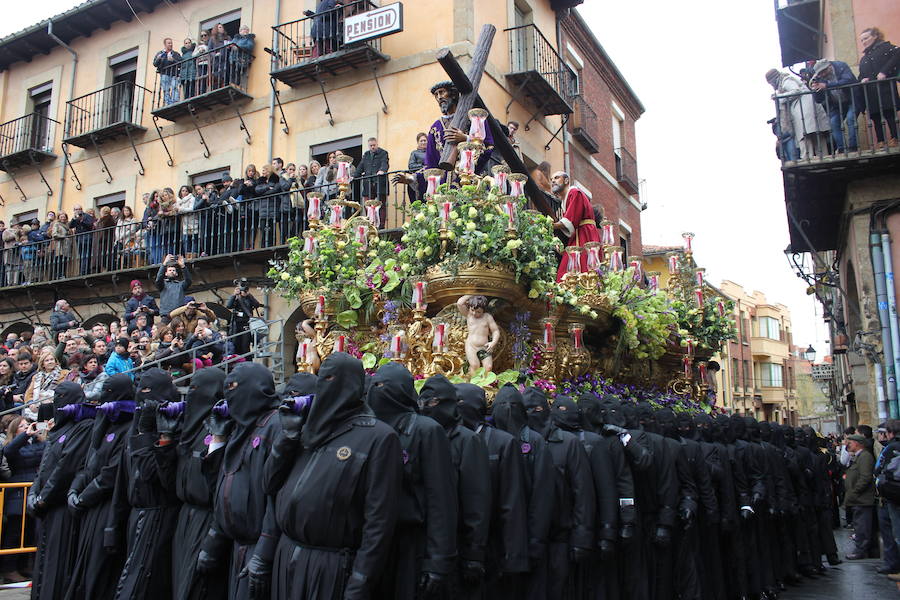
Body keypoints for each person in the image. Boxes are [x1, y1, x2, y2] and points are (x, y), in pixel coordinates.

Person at [245, 354, 402, 599]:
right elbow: (269, 484)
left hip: (331, 566)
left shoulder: (379, 437)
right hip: (286, 556)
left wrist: (361, 582)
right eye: (321, 378)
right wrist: (285, 441)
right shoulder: (306, 429)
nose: (324, 386)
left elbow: (379, 522)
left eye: (331, 379)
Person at [367, 362, 457, 599]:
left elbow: (441, 498)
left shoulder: (426, 430)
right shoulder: (368, 426)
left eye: (385, 386)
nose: (378, 390)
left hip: (410, 544)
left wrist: (437, 560)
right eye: (375, 385)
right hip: (370, 541)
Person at [195, 362, 282, 600]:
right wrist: (218, 441)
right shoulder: (241, 426)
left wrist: (264, 552)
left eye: (234, 387)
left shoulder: (276, 425)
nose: (230, 395)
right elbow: (221, 486)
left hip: (259, 549)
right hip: (236, 547)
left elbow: (276, 493)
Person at [152, 367, 227, 600]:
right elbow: (170, 482)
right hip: (185, 519)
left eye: (198, 389)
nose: (193, 394)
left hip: (208, 522)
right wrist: (165, 443)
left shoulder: (222, 430)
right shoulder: (188, 429)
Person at [110, 369, 182, 600]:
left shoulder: (174, 423)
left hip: (161, 518)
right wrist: (113, 526)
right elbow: (124, 478)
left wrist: (149, 433)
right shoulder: (137, 424)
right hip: (136, 517)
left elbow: (155, 474)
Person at [418, 375, 491, 598]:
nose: (427, 407)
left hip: (455, 545)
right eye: (424, 401)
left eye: (434, 402)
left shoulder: (467, 440)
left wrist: (473, 553)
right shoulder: (419, 433)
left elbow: (476, 500)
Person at [455, 383, 529, 599]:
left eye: (460, 402)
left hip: (492, 543)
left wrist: (514, 557)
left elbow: (512, 501)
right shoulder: (448, 437)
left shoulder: (502, 443)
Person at [66, 374, 136, 600]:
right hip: (91, 507)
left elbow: (111, 473)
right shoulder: (106, 422)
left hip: (107, 506)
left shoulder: (128, 426)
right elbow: (91, 461)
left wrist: (84, 497)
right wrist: (75, 490)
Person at [522, 388, 595, 599]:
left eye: (537, 409)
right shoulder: (520, 441)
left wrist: (582, 536)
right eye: (527, 409)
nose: (532, 413)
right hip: (527, 537)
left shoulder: (568, 442)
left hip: (560, 536)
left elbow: (582, 491)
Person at [28, 383, 96, 600]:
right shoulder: (59, 428)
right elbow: (45, 466)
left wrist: (43, 499)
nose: (56, 401)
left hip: (61, 508)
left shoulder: (83, 426)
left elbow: (66, 468)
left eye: (61, 397)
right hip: (47, 508)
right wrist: (33, 494)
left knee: (58, 565)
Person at [491, 384, 554, 600]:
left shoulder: (535, 441)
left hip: (528, 533)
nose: (507, 410)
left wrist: (536, 540)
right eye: (502, 406)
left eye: (513, 406)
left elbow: (542, 494)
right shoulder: (489, 439)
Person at [1, 416, 46, 582]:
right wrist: (25, 435)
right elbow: (9, 452)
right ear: (14, 430)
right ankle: (9, 568)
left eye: (28, 424)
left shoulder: (37, 443)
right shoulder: (13, 446)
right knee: (15, 532)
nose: (27, 427)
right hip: (17, 493)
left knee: (29, 532)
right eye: (22, 426)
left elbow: (47, 450)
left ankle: (25, 564)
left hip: (33, 490)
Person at [766, 68, 830, 160]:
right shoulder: (784, 81)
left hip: (804, 109)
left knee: (805, 136)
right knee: (815, 134)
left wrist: (779, 97)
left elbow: (796, 90)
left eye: (771, 83)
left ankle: (807, 159)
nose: (772, 85)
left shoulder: (786, 80)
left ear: (773, 80)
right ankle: (823, 156)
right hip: (805, 109)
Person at [550, 171, 602, 280]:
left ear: (566, 180)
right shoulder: (567, 198)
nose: (553, 181)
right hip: (579, 233)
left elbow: (571, 218)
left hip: (585, 234)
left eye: (556, 177)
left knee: (580, 267)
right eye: (551, 179)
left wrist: (551, 225)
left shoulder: (575, 192)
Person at [857, 27, 900, 149]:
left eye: (866, 38)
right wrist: (862, 79)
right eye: (862, 40)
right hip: (871, 92)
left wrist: (884, 72)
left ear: (875, 36)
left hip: (885, 88)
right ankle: (881, 141)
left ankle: (895, 138)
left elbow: (898, 54)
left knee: (889, 113)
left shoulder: (886, 47)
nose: (864, 42)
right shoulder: (864, 58)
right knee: (875, 116)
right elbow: (861, 74)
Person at [809, 59, 859, 153]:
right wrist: (814, 90)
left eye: (823, 72)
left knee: (850, 118)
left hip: (852, 98)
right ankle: (842, 149)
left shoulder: (841, 66)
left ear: (829, 67)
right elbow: (819, 100)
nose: (822, 75)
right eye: (820, 73)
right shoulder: (819, 78)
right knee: (833, 122)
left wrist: (827, 85)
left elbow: (848, 80)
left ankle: (853, 148)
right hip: (836, 104)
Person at [844, 432, 876, 559]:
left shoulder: (865, 457)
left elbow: (865, 477)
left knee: (863, 527)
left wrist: (855, 491)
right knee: (859, 525)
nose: (848, 445)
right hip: (858, 499)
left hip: (862, 499)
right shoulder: (859, 456)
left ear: (857, 444)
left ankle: (861, 550)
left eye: (850, 443)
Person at [457, 295, 501, 373]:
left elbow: (495, 331)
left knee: (488, 367)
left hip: (484, 347)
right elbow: (460, 303)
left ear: (483, 310)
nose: (474, 313)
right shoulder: (468, 315)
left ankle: (485, 384)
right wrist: (473, 294)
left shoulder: (487, 317)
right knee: (474, 365)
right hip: (471, 345)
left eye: (478, 312)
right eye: (472, 310)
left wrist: (493, 343)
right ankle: (473, 384)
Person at [23, 349, 68, 420]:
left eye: (51, 359)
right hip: (38, 406)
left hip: (57, 404)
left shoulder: (65, 373)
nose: (50, 362)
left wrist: (51, 399)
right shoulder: (36, 377)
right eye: (47, 360)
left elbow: (68, 391)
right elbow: (29, 394)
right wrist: (31, 403)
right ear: (42, 364)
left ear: (56, 362)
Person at [226, 279, 261, 357]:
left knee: (245, 345)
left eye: (246, 290)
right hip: (236, 324)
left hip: (247, 323)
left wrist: (250, 295)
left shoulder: (249, 297)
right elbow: (229, 306)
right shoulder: (236, 297)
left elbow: (257, 305)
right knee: (235, 343)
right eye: (243, 290)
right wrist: (234, 295)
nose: (244, 292)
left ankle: (247, 360)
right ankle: (236, 360)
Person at [357, 137, 390, 220]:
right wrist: (353, 176)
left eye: (374, 145)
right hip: (368, 183)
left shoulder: (383, 153)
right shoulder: (366, 155)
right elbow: (360, 167)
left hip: (380, 182)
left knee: (381, 204)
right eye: (371, 145)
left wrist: (382, 170)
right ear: (368, 146)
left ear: (377, 144)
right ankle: (370, 222)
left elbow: (385, 163)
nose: (372, 147)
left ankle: (381, 225)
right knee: (367, 204)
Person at [155, 255, 192, 320]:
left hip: (179, 315)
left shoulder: (181, 285)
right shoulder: (162, 285)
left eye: (174, 270)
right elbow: (158, 279)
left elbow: (188, 281)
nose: (172, 271)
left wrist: (183, 266)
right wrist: (164, 263)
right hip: (166, 316)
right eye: (170, 270)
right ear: (166, 273)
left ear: (176, 274)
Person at [153, 38, 182, 106]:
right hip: (164, 74)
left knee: (175, 87)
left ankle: (175, 101)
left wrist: (173, 60)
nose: (171, 44)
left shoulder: (175, 54)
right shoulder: (160, 54)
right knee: (166, 89)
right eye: (169, 43)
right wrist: (158, 59)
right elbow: (155, 64)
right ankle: (168, 103)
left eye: (171, 43)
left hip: (174, 74)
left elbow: (181, 63)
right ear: (165, 44)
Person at [176, 185, 200, 259]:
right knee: (185, 240)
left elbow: (191, 209)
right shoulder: (180, 201)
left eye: (186, 191)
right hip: (185, 223)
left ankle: (193, 256)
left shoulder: (192, 198)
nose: (184, 192)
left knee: (194, 240)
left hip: (192, 221)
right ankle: (187, 256)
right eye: (183, 191)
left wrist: (180, 210)